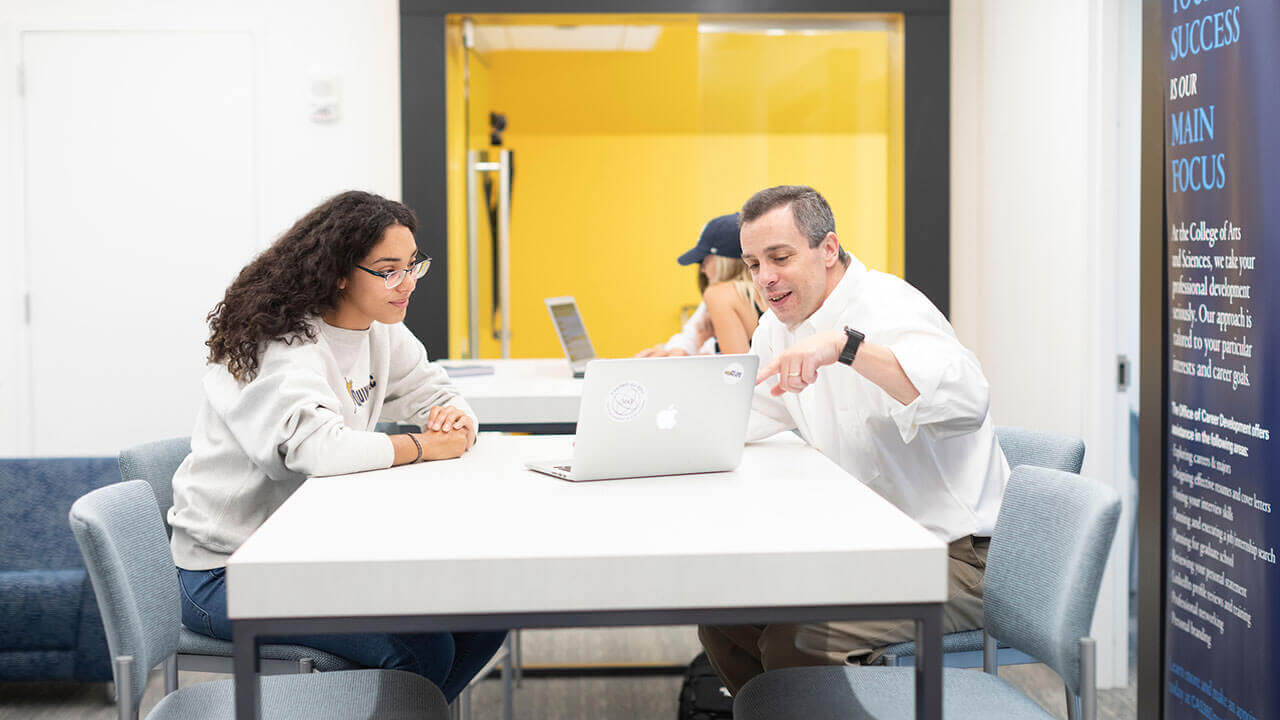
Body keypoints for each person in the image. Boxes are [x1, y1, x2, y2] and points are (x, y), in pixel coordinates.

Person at [167, 190, 506, 702]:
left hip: (316, 554)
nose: (407, 283)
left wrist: (457, 418)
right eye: (389, 269)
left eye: (413, 265)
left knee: (487, 616)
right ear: (340, 271)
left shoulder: (379, 330)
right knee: (422, 651)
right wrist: (424, 446)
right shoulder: (282, 344)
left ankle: (402, 710)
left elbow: (436, 392)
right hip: (228, 572)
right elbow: (318, 452)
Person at [697, 185, 1010, 694]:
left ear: (827, 248)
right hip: (875, 549)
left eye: (780, 257)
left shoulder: (889, 306)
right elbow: (745, 412)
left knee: (796, 641)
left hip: (958, 559)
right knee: (726, 621)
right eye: (753, 264)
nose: (765, 278)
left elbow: (967, 399)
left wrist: (847, 348)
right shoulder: (782, 325)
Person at [637, 213, 763, 357]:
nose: (702, 270)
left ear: (724, 262)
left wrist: (704, 345)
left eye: (705, 261)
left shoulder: (718, 294)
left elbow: (738, 371)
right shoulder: (769, 291)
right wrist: (674, 352)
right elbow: (688, 337)